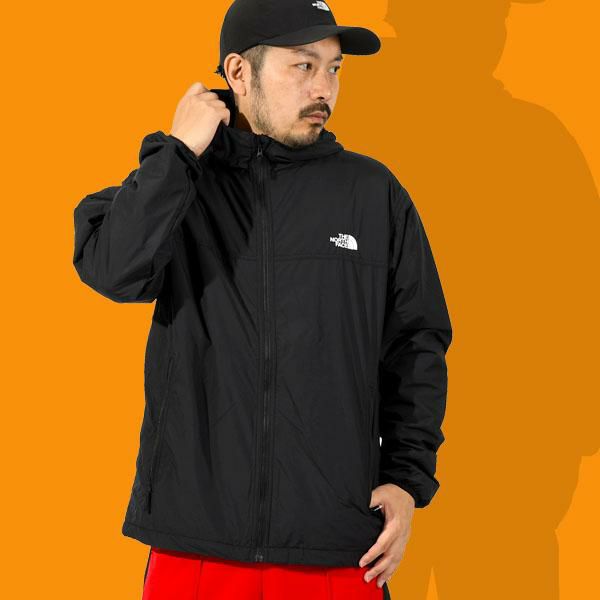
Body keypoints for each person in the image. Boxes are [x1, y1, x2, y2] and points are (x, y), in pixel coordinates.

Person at [72, 1, 452, 598]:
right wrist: (178, 152)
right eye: (303, 65)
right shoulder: (179, 184)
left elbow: (416, 342)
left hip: (338, 547)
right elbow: (112, 270)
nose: (324, 88)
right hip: (195, 546)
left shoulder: (372, 193)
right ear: (238, 73)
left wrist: (406, 480)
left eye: (334, 69)